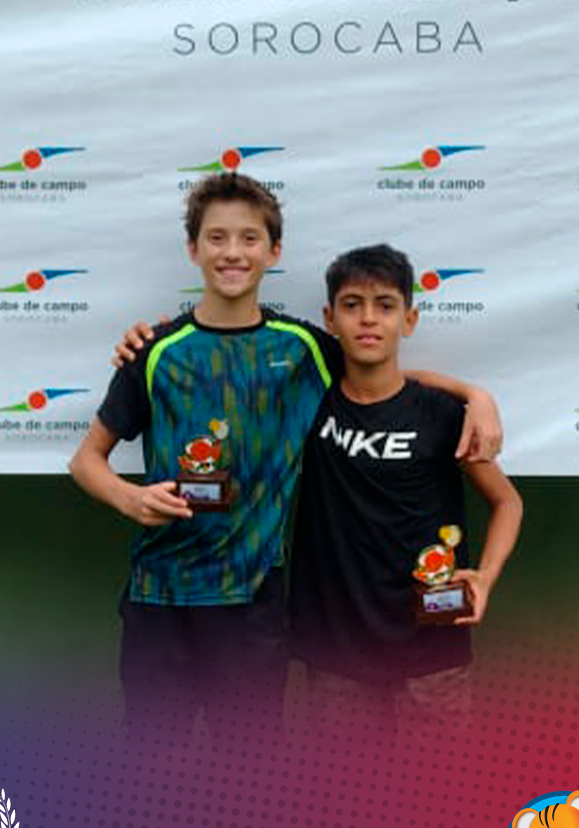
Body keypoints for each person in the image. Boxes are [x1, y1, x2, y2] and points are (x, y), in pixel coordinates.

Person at [69, 175, 502, 741]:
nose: (232, 252)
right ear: (193, 249)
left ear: (273, 252)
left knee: (249, 766)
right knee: (153, 760)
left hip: (255, 606)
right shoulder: (154, 352)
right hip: (159, 598)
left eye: (249, 238)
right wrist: (129, 497)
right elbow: (86, 461)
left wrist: (474, 395)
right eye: (217, 237)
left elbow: (381, 375)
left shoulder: (304, 349)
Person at [287, 244, 522, 743]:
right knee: (346, 785)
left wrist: (486, 576)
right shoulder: (309, 403)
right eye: (352, 305)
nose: (369, 319)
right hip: (337, 649)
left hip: (432, 646)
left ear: (409, 320)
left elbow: (507, 502)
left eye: (386, 305)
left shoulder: (442, 415)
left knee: (436, 786)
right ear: (330, 319)